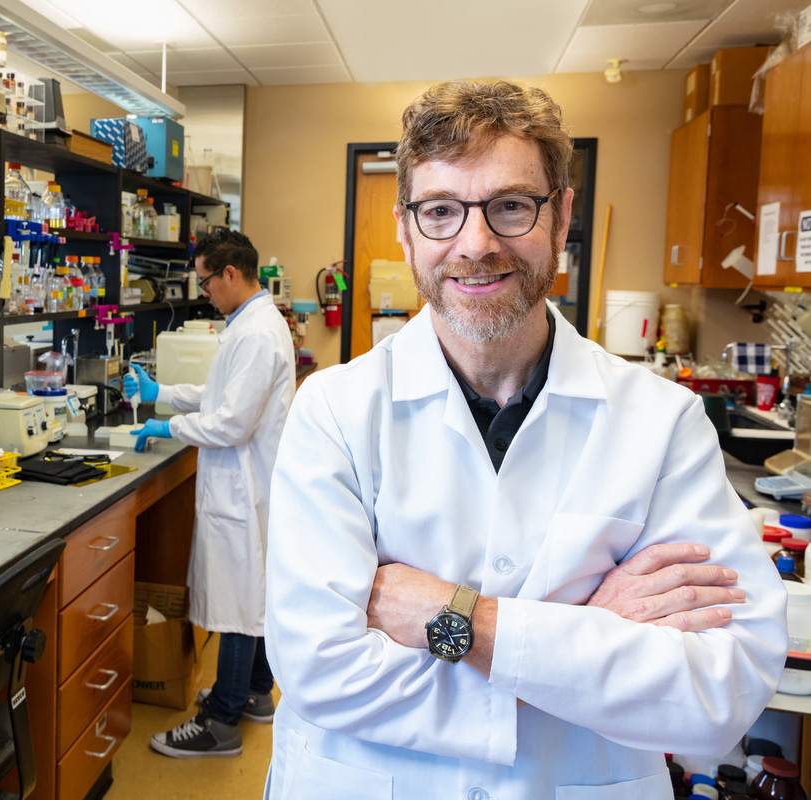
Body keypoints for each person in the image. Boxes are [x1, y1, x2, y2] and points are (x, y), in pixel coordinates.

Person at [263, 79, 787, 798]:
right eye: (442, 211)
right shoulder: (334, 411)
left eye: (510, 206)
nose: (475, 244)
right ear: (406, 226)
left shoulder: (661, 423)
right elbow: (320, 670)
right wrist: (579, 642)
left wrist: (462, 623)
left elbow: (719, 692)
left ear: (563, 213)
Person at [123, 229, 295, 758]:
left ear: (230, 274)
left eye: (206, 282)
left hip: (242, 488)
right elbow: (221, 394)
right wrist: (163, 396)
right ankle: (256, 694)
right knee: (251, 596)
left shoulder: (257, 334)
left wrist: (166, 428)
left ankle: (220, 722)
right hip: (248, 484)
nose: (204, 293)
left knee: (237, 606)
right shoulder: (252, 324)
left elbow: (230, 423)